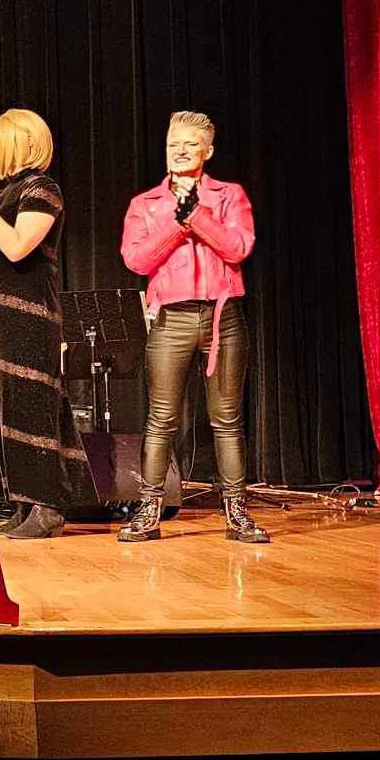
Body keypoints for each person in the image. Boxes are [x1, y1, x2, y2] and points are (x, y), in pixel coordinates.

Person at [118, 112, 269, 544]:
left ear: (208, 151)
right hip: (171, 319)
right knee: (162, 418)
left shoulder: (228, 196)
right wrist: (177, 222)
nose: (179, 150)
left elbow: (239, 248)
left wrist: (199, 216)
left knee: (226, 419)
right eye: (173, 143)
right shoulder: (145, 205)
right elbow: (137, 260)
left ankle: (237, 511)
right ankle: (149, 510)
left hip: (223, 317)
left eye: (189, 143)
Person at [0, 109, 92, 539]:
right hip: (2, 319)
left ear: (18, 140)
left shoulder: (42, 189)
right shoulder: (2, 196)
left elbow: (18, 248)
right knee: (10, 408)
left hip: (32, 318)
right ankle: (24, 501)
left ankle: (48, 505)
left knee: (34, 407)